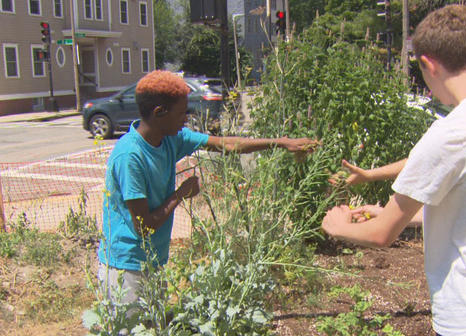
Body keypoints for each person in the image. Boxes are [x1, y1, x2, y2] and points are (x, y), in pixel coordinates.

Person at [322, 5, 466, 336]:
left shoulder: (452, 132)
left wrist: (337, 226)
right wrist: (382, 198)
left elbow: (381, 235)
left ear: (427, 64)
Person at [98, 70, 318, 305]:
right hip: (126, 266)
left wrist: (282, 143)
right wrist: (180, 194)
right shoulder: (131, 156)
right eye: (182, 112)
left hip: (152, 259)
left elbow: (229, 145)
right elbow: (144, 227)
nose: (186, 118)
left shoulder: (170, 138)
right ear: (159, 113)